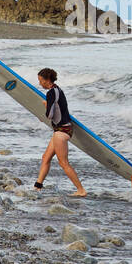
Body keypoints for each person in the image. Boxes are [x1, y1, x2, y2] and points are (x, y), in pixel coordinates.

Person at [34, 68, 86, 196]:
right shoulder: (58, 90)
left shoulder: (51, 93)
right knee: (46, 157)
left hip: (61, 131)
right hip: (62, 128)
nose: (40, 83)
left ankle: (81, 190)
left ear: (47, 80)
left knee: (63, 163)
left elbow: (50, 114)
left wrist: (44, 112)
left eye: (40, 81)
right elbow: (59, 109)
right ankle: (38, 186)